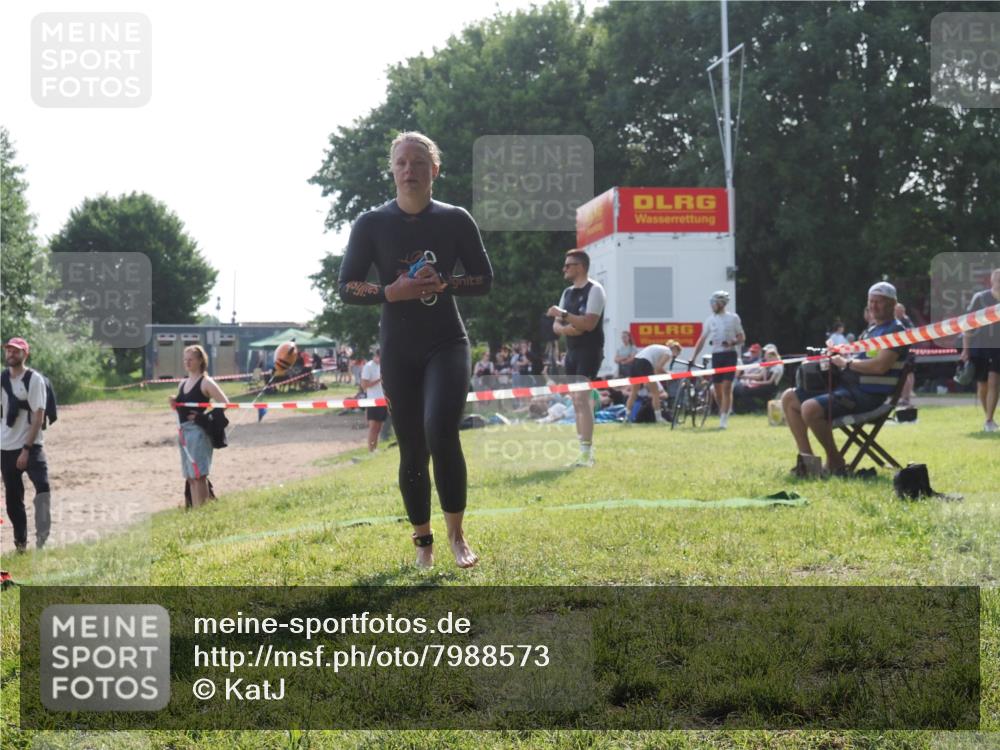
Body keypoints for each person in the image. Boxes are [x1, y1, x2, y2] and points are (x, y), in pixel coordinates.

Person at [338, 131, 492, 569]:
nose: (410, 170)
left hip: (447, 342)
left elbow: (484, 279)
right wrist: (391, 291)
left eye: (419, 163)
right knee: (411, 446)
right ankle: (423, 541)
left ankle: (457, 536)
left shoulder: (455, 219)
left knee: (441, 430)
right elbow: (346, 287)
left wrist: (445, 283)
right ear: (392, 170)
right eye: (402, 162)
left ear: (434, 170)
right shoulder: (371, 223)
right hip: (399, 348)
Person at [781, 282, 911, 474]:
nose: (873, 306)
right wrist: (836, 354)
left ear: (893, 304)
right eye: (871, 301)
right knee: (788, 398)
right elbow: (857, 358)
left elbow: (880, 366)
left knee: (809, 408)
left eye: (879, 302)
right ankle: (807, 463)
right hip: (848, 389)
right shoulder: (871, 331)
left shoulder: (895, 331)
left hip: (868, 396)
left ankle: (835, 461)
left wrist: (846, 363)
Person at [547, 249, 607, 467]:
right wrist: (570, 327)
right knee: (575, 401)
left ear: (580, 267)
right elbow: (556, 326)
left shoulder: (595, 289)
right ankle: (583, 450)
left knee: (582, 399)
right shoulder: (567, 292)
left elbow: (588, 324)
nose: (564, 269)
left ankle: (586, 453)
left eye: (568, 265)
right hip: (571, 352)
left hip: (589, 351)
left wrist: (564, 316)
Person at [1, 338, 51, 552]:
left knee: (43, 487)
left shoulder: (34, 380)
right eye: (9, 350)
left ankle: (42, 537)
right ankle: (20, 543)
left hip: (32, 446)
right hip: (6, 446)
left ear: (25, 355)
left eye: (16, 351)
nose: (11, 354)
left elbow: (39, 416)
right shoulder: (2, 379)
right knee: (13, 499)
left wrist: (26, 449)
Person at [168, 345, 229, 508]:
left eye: (191, 359)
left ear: (200, 360)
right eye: (185, 359)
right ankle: (196, 511)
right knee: (190, 476)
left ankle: (202, 512)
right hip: (183, 432)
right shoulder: (182, 383)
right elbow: (181, 405)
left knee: (199, 475)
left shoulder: (206, 382)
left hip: (199, 433)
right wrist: (174, 401)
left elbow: (225, 403)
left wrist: (204, 417)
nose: (187, 362)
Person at [691, 290, 745, 429]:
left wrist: (732, 342)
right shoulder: (710, 320)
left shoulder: (733, 318)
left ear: (721, 303)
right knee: (717, 389)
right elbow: (702, 339)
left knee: (727, 387)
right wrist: (693, 357)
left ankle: (724, 419)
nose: (712, 305)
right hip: (717, 355)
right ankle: (723, 411)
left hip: (730, 355)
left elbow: (741, 337)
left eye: (714, 303)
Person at [961, 267, 1000, 432]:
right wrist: (965, 349)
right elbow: (967, 324)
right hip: (980, 346)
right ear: (992, 281)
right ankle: (988, 418)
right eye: (998, 279)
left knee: (994, 381)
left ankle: (989, 419)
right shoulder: (980, 298)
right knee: (983, 384)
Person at [625, 343, 673, 423]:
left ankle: (626, 418)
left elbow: (655, 370)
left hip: (635, 362)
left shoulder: (658, 349)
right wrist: (669, 375)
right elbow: (658, 368)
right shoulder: (669, 352)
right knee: (655, 393)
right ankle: (659, 418)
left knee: (633, 393)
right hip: (645, 363)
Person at [733, 343, 785, 413]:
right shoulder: (767, 364)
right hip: (764, 384)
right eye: (765, 353)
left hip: (770, 387)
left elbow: (769, 382)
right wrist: (742, 376)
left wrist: (755, 382)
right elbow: (759, 376)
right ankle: (737, 409)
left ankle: (754, 409)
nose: (765, 355)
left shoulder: (778, 366)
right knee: (739, 388)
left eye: (767, 353)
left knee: (745, 391)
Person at [361, 349, 387, 452]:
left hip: (382, 400)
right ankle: (371, 450)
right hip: (372, 401)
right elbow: (364, 385)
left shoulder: (382, 365)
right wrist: (379, 379)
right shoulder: (368, 366)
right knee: (373, 427)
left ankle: (375, 449)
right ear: (376, 356)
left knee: (379, 427)